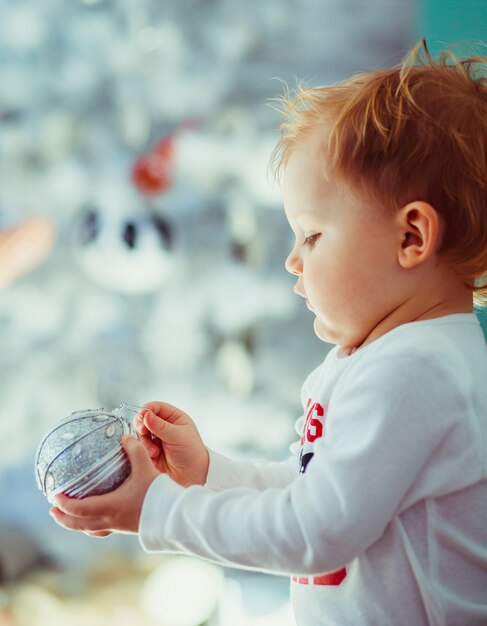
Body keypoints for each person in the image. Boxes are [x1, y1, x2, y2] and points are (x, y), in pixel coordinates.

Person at [50, 40, 487, 625]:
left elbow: (312, 532)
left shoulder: (420, 370)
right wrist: (208, 473)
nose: (292, 261)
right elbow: (308, 493)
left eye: (312, 235)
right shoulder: (386, 359)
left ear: (412, 238)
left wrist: (157, 510)